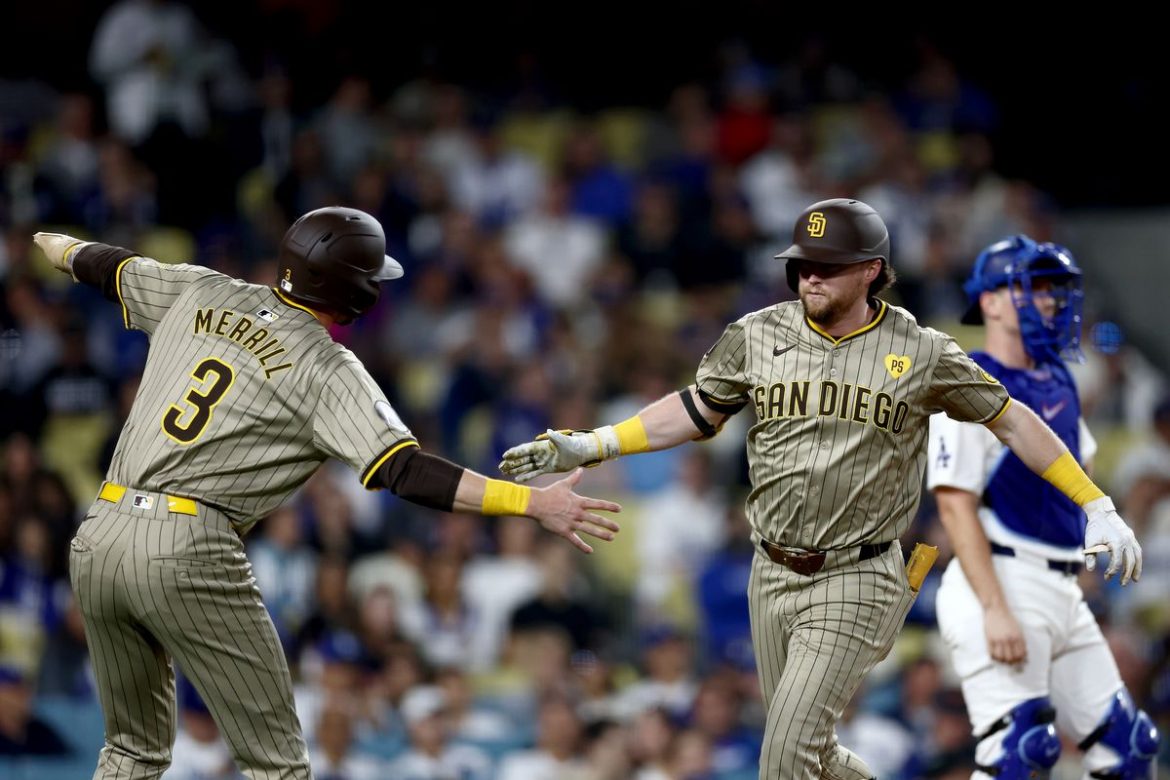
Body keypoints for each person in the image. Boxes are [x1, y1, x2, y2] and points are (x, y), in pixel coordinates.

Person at [499, 198, 1144, 779]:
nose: (810, 276)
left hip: (860, 574)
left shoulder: (920, 350)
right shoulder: (758, 334)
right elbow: (696, 410)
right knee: (815, 754)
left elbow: (1014, 421)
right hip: (771, 568)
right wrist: (594, 442)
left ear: (870, 269)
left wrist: (1094, 501)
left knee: (782, 758)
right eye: (803, 264)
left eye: (828, 266)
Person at [32, 206, 621, 779]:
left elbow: (104, 264)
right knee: (277, 765)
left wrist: (50, 244)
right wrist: (531, 501)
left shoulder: (205, 290)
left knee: (131, 754)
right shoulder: (327, 367)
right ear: (353, 293)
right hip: (186, 546)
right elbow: (405, 471)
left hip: (101, 532)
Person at [926, 236, 1160, 778]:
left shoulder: (1060, 379)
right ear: (989, 301)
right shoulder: (969, 380)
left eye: (1056, 289)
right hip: (1002, 579)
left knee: (1130, 749)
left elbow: (1080, 472)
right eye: (1032, 287)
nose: (1050, 301)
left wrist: (1085, 552)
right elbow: (955, 507)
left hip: (1059, 588)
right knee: (1019, 755)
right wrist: (995, 608)